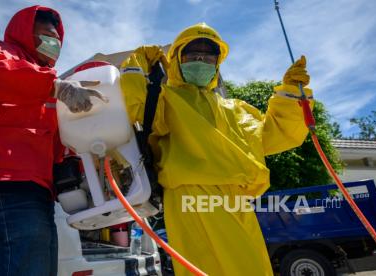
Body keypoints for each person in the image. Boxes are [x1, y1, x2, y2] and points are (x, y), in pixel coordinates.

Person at [120, 23, 314, 275]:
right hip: (192, 194)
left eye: (208, 55)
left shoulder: (235, 108)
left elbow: (276, 134)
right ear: (177, 59)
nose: (201, 59)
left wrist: (290, 93)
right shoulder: (164, 99)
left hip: (238, 200)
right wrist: (136, 64)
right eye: (192, 54)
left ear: (217, 62)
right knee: (211, 267)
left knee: (251, 268)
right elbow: (132, 108)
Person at [0, 5, 106, 276]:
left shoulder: (46, 82)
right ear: (25, 32)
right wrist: (53, 86)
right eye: (47, 33)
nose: (54, 42)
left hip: (36, 191)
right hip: (2, 183)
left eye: (57, 38)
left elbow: (54, 142)